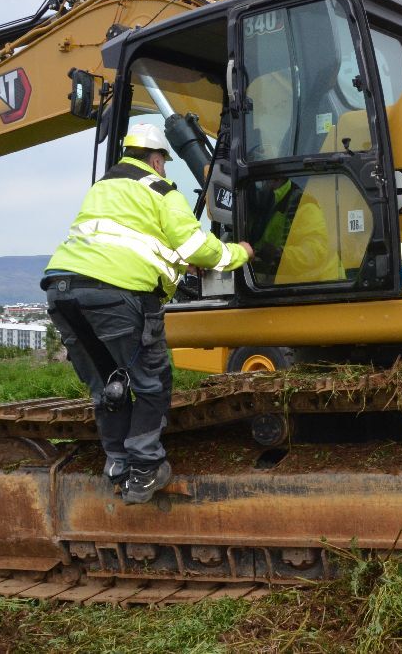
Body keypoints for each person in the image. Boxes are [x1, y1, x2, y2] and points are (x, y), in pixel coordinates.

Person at [43, 123, 252, 504]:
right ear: (156, 160)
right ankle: (145, 469)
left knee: (109, 386)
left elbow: (123, 244)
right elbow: (199, 247)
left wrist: (176, 264)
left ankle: (118, 463)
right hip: (117, 297)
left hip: (62, 293)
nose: (165, 171)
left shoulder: (103, 189)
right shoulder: (159, 189)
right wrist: (240, 253)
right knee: (151, 384)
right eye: (165, 164)